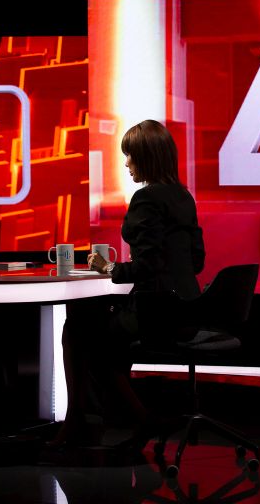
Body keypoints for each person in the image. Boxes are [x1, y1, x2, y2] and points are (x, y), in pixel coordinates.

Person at [55, 120, 205, 450]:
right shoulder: (183, 197)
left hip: (157, 314)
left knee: (78, 327)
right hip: (187, 313)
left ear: (147, 158)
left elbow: (147, 266)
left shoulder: (146, 198)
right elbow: (196, 262)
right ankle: (123, 417)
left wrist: (109, 267)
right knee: (102, 340)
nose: (126, 163)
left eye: (130, 155)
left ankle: (81, 421)